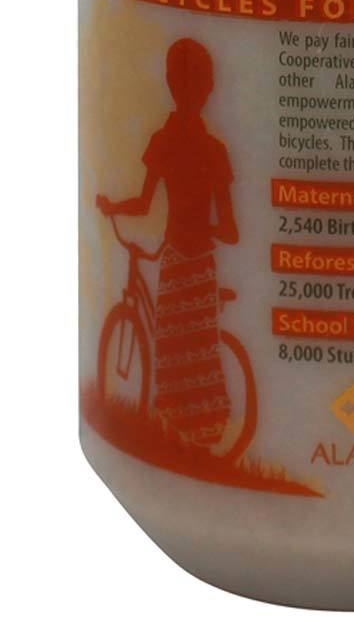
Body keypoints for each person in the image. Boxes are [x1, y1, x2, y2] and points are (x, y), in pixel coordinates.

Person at [97, 38, 238, 448]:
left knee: (174, 345)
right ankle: (205, 435)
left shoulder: (163, 141)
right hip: (200, 261)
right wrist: (205, 230)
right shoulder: (215, 151)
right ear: (210, 88)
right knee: (197, 347)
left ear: (169, 83)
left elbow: (143, 204)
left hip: (177, 260)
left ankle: (178, 434)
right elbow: (231, 231)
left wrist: (110, 207)